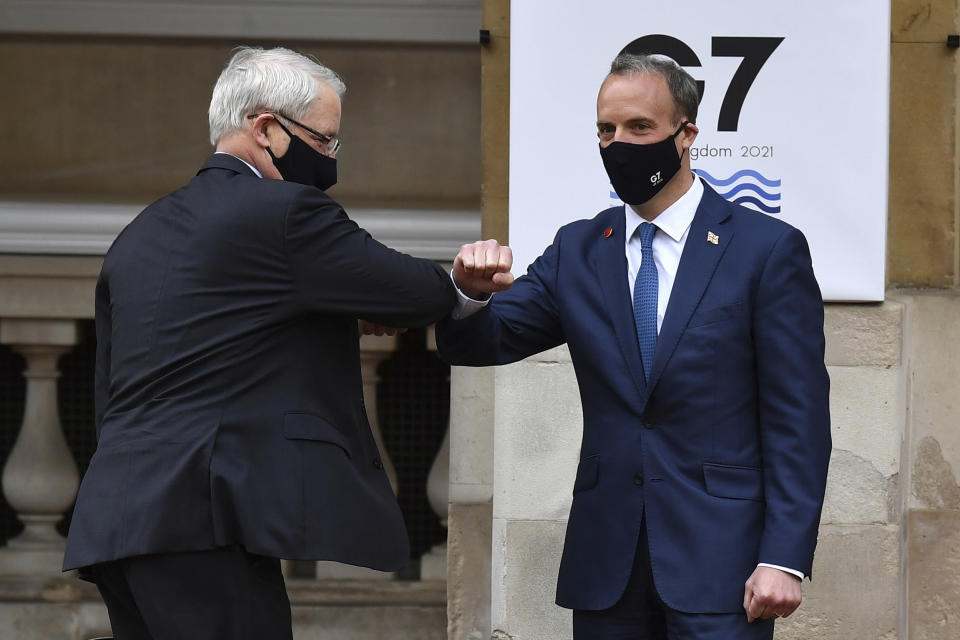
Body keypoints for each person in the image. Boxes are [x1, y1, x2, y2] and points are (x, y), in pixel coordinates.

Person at [63, 46, 460, 639]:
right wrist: (465, 284)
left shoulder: (139, 233)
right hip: (204, 520)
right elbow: (412, 290)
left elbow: (145, 369)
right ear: (267, 128)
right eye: (325, 141)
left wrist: (337, 318)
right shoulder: (284, 211)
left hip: (116, 520)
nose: (330, 160)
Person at [436, 53, 831, 639]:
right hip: (607, 566)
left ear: (686, 134)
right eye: (606, 129)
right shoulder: (579, 249)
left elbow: (798, 419)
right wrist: (467, 292)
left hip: (722, 565)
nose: (619, 143)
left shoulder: (764, 250)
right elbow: (484, 338)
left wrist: (784, 557)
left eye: (640, 128)